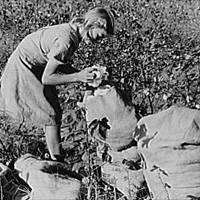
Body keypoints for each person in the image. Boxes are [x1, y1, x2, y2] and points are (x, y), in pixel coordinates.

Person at [0, 7, 115, 161]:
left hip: (37, 66)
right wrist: (79, 76)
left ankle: (55, 155)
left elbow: (57, 65)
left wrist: (82, 73)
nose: (97, 42)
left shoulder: (72, 32)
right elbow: (48, 78)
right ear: (94, 24)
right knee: (50, 115)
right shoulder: (66, 40)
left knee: (53, 112)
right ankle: (57, 162)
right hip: (25, 66)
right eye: (98, 37)